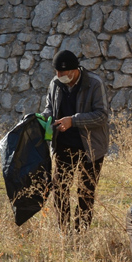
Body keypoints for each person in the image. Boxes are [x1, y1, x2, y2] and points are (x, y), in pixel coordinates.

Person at [41, 50, 110, 234]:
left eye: (62, 73)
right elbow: (50, 108)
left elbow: (102, 116)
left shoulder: (95, 84)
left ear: (74, 70)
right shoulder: (55, 84)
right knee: (60, 189)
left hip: (91, 147)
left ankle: (81, 234)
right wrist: (43, 119)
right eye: (56, 72)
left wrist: (74, 120)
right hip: (64, 145)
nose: (58, 76)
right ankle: (64, 232)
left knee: (85, 193)